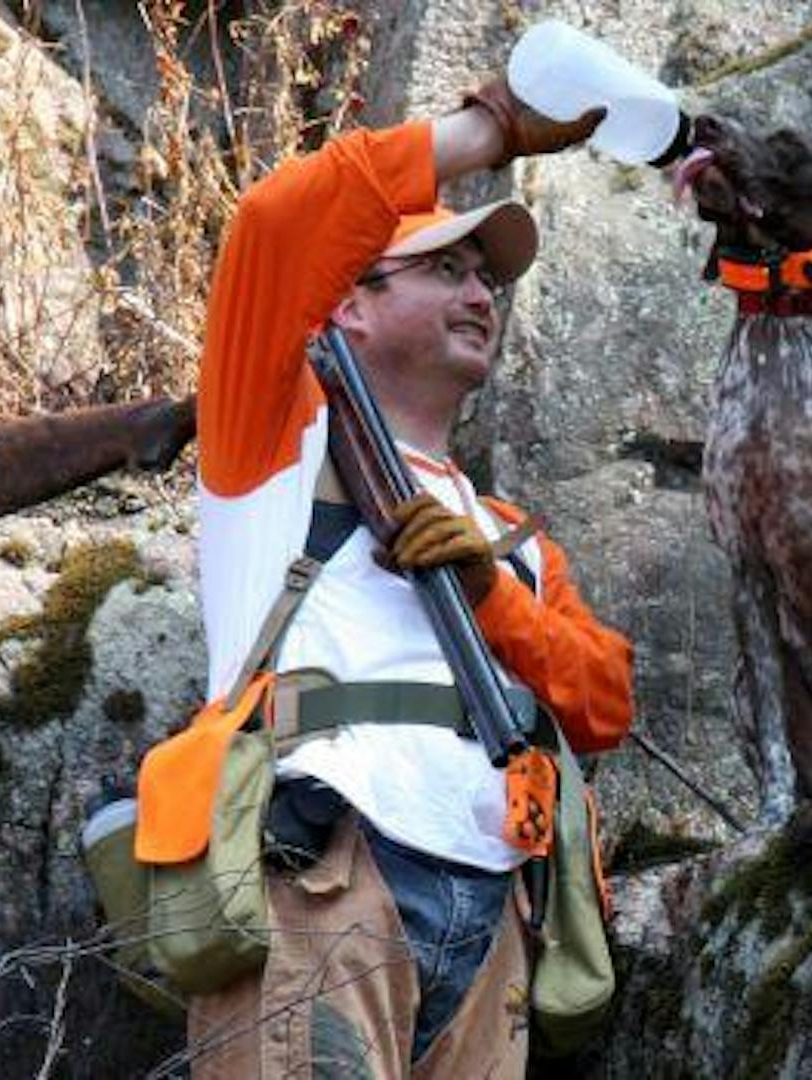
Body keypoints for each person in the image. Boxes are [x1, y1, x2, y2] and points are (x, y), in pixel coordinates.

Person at [184, 76, 634, 1077]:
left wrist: (487, 590)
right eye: (446, 269)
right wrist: (494, 131)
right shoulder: (274, 450)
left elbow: (603, 704)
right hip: (327, 875)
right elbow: (272, 222)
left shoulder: (510, 536)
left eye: (488, 279)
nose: (483, 295)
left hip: (497, 913)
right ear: (348, 301)